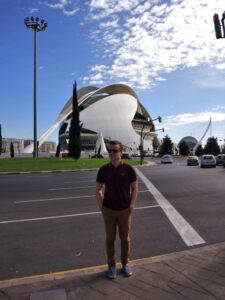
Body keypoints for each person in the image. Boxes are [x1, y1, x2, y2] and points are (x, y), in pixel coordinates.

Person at [96, 140, 138, 279]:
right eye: (110, 151)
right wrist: (101, 206)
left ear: (121, 152)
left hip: (124, 210)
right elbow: (98, 189)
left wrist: (131, 205)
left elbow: (135, 188)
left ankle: (125, 263)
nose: (112, 153)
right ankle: (111, 266)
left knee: (125, 239)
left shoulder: (128, 169)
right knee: (110, 239)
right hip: (108, 210)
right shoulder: (103, 170)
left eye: (115, 150)